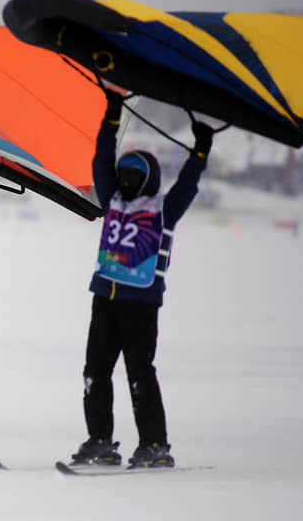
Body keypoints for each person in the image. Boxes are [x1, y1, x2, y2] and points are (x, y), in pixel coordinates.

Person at [70, 89, 215, 467]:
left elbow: (188, 184)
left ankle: (154, 445)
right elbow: (101, 159)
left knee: (139, 374)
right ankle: (99, 440)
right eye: (123, 174)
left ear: (148, 179)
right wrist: (112, 116)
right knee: (95, 372)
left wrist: (200, 152)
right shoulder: (111, 199)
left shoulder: (164, 209)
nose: (126, 180)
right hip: (104, 297)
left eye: (135, 176)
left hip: (141, 303)